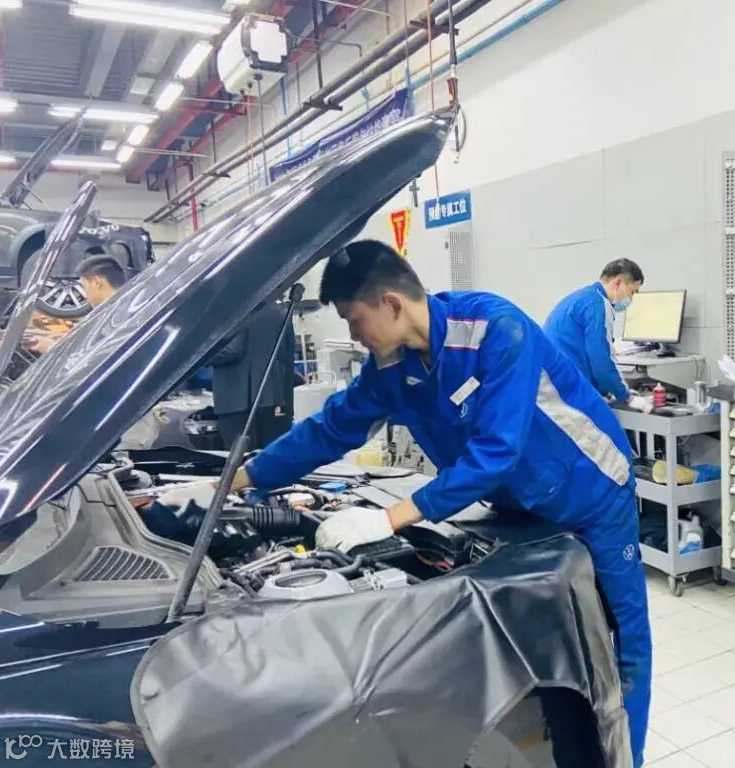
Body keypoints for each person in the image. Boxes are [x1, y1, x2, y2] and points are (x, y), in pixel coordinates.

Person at [228, 240, 651, 765]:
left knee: (623, 640)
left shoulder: (498, 330)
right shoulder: (390, 368)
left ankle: (628, 758)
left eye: (355, 320)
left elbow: (496, 451)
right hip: (520, 503)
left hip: (594, 491)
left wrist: (389, 518)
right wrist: (240, 479)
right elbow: (331, 428)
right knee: (545, 632)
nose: (354, 336)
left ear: (390, 303)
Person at [544, 259, 645, 408]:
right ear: (618, 283)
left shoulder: (582, 297)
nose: (631, 299)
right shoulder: (598, 305)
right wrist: (626, 397)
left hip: (552, 382)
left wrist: (606, 390)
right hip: (567, 388)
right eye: (632, 292)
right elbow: (601, 361)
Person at [209, 299, 296, 451]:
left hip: (236, 399)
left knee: (241, 459)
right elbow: (288, 358)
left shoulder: (233, 309)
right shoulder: (279, 310)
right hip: (273, 397)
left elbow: (232, 350)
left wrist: (197, 356)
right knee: (271, 456)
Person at [25, 255, 126, 354]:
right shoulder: (123, 305)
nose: (85, 295)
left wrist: (51, 348)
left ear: (97, 282)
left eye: (84, 287)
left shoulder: (117, 317)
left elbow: (97, 357)